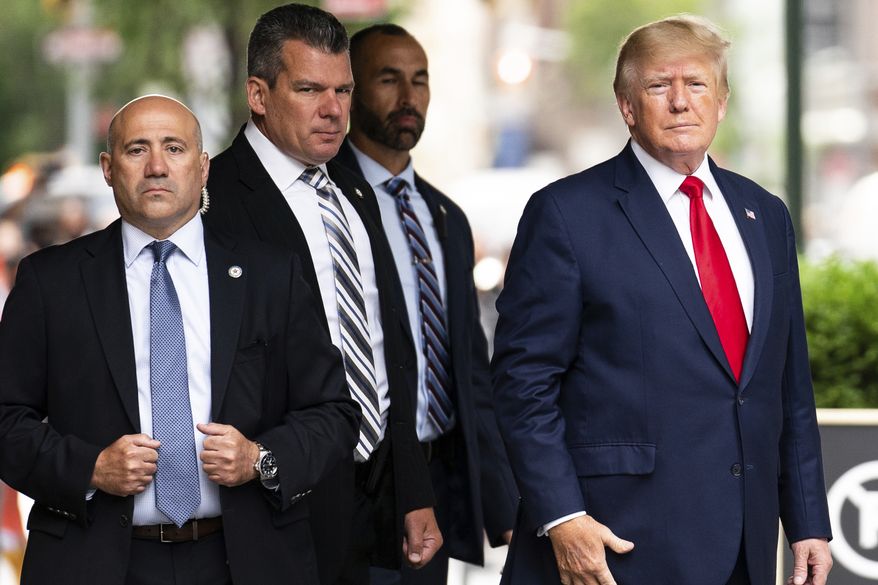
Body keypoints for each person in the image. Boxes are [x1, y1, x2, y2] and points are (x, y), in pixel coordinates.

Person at [491, 15, 833, 585]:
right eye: (658, 86)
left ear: (721, 102)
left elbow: (787, 384)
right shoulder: (566, 214)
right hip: (614, 546)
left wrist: (808, 521)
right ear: (627, 105)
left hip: (743, 548)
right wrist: (562, 516)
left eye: (696, 84)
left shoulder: (765, 214)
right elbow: (522, 382)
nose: (680, 102)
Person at [0, 95, 360, 585]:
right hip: (94, 561)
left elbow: (334, 411)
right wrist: (91, 469)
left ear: (203, 167)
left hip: (244, 560)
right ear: (108, 168)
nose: (156, 167)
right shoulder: (51, 282)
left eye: (174, 148)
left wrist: (260, 459)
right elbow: (6, 420)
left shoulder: (271, 275)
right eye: (136, 150)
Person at [203, 5, 440, 584]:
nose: (334, 111)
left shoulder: (355, 193)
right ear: (258, 94)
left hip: (373, 495)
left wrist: (411, 487)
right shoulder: (213, 203)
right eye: (310, 89)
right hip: (273, 500)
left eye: (344, 90)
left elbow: (390, 346)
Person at [334, 23, 518, 585]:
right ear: (351, 89)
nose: (409, 98)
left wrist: (501, 498)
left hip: (438, 479)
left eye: (420, 80)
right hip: (356, 480)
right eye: (388, 79)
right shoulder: (326, 205)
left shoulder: (447, 218)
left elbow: (468, 367)